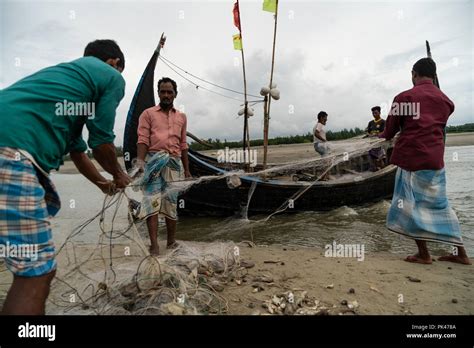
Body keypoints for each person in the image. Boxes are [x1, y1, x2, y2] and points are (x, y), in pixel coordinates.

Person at [0, 39, 131, 314]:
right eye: (120, 69)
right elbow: (101, 142)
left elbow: (79, 153)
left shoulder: (67, 86)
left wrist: (104, 185)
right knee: (35, 273)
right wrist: (119, 174)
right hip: (10, 153)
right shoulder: (111, 76)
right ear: (114, 63)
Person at [379, 57, 471, 265]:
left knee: (410, 206)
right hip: (435, 161)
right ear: (434, 75)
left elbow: (389, 132)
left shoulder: (404, 97)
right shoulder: (446, 101)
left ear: (414, 74)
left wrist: (378, 137)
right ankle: (462, 254)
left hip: (412, 160)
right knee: (440, 206)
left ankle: (424, 254)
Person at [135, 77, 191, 255]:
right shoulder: (148, 114)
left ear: (175, 94)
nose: (166, 95)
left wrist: (187, 170)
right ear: (158, 93)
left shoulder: (181, 117)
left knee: (171, 203)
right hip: (152, 162)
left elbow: (183, 145)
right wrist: (140, 163)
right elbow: (142, 140)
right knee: (151, 203)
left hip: (174, 163)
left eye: (169, 92)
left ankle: (171, 242)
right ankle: (154, 245)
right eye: (162, 91)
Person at [366, 106, 386, 171]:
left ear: (379, 113)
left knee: (380, 158)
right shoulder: (370, 123)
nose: (374, 115)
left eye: (376, 113)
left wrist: (377, 134)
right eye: (373, 113)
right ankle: (375, 169)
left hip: (379, 143)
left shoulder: (383, 122)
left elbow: (384, 132)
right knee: (372, 158)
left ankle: (383, 170)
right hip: (372, 144)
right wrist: (370, 135)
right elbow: (367, 132)